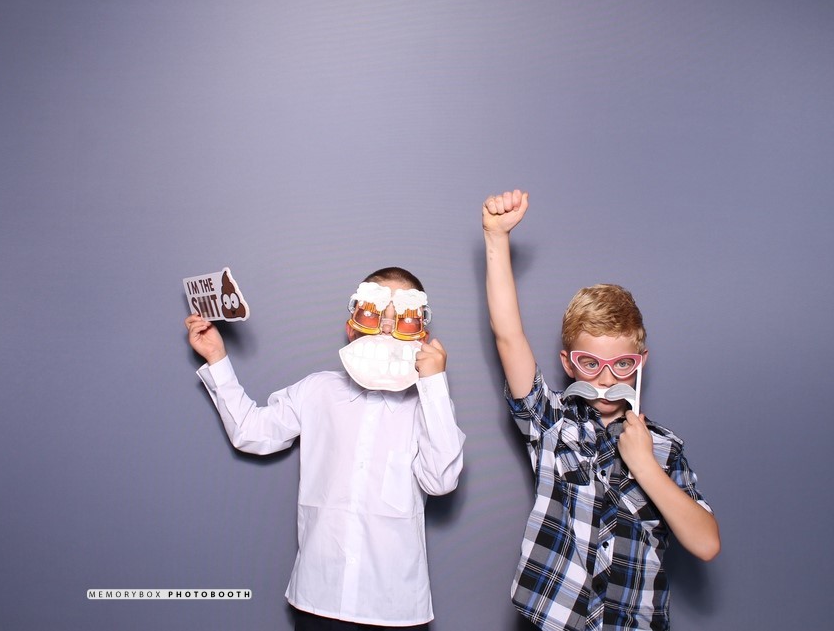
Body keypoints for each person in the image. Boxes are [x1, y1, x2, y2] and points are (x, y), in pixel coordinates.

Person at [482, 190, 720, 631]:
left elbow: (706, 544)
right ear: (569, 363)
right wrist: (496, 237)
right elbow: (508, 337)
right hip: (556, 620)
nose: (607, 378)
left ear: (640, 362)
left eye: (621, 364)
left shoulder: (664, 448)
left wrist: (645, 466)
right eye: (591, 364)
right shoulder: (552, 423)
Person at [185, 267, 465, 631]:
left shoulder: (428, 404)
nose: (385, 328)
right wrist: (217, 358)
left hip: (394, 607)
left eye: (400, 318)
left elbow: (441, 481)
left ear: (421, 334)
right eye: (375, 315)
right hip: (318, 598)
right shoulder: (317, 390)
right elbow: (251, 431)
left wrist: (434, 385)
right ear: (352, 327)